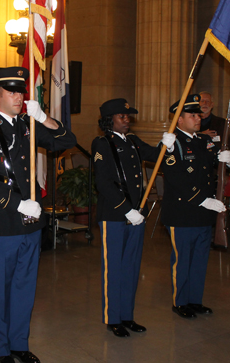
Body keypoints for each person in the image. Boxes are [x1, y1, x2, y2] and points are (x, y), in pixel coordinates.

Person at [0, 67, 76, 363]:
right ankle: (2, 350)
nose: (18, 97)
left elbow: (67, 140)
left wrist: (43, 118)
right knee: (1, 292)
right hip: (3, 222)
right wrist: (17, 203)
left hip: (31, 224)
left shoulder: (28, 125)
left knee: (25, 289)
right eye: (12, 92)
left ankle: (19, 344)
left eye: (21, 92)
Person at [91, 98, 160, 338]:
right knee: (114, 268)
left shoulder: (132, 141)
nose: (127, 120)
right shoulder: (102, 143)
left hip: (136, 215)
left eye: (128, 116)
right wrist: (125, 209)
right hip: (115, 215)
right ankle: (113, 318)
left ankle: (127, 315)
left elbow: (154, 154)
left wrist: (169, 144)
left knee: (131, 267)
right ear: (110, 120)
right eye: (122, 116)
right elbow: (104, 182)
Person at [160, 94, 230, 319]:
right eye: (192, 115)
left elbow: (215, 168)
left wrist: (229, 161)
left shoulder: (204, 141)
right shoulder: (171, 143)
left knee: (200, 260)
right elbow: (175, 178)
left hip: (204, 213)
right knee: (182, 260)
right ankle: (180, 302)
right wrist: (203, 200)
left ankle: (195, 300)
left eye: (198, 114)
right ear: (179, 119)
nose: (197, 118)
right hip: (182, 213)